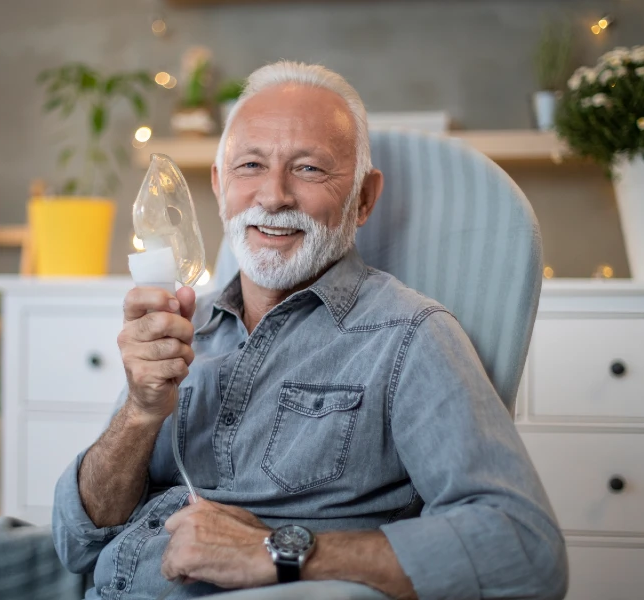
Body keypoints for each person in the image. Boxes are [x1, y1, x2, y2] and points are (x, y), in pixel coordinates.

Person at [53, 61, 568, 600]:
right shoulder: (184, 328)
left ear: (363, 199)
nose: (272, 196)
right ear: (219, 182)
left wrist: (277, 551)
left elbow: (525, 551)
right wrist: (139, 412)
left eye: (309, 170)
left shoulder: (408, 335)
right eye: (250, 165)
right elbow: (77, 543)